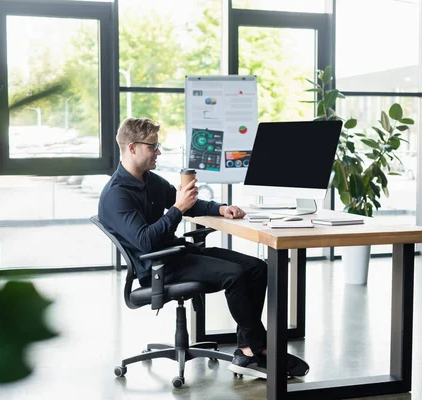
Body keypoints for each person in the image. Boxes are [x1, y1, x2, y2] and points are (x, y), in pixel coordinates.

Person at [99, 117, 300, 379]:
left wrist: (220, 209)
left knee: (257, 267)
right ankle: (255, 350)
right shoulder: (117, 194)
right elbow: (147, 241)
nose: (158, 152)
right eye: (153, 146)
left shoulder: (150, 181)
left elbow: (189, 204)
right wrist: (177, 209)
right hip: (159, 267)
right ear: (132, 147)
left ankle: (247, 348)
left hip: (179, 254)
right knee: (236, 276)